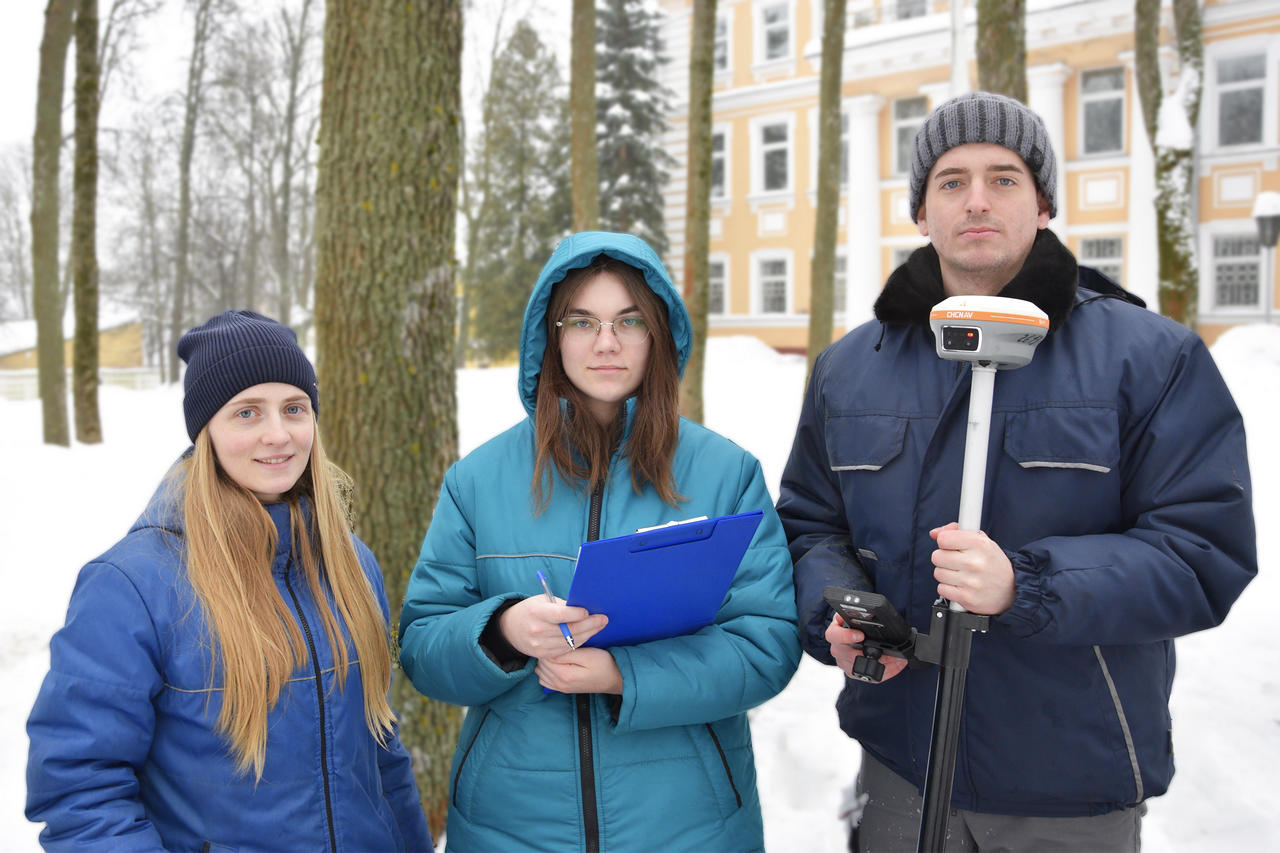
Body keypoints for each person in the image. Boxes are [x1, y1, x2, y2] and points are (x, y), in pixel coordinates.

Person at [777, 92, 1257, 851]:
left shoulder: (1150, 357)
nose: (976, 199)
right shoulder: (849, 368)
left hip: (1066, 788)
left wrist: (1026, 584)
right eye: (951, 180)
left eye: (1004, 178)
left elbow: (1202, 552)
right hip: (899, 769)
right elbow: (809, 522)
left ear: (1042, 205)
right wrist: (837, 611)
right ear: (920, 210)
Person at [398, 231, 800, 852]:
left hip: (688, 826)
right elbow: (422, 646)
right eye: (583, 321)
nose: (606, 343)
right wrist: (500, 632)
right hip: (512, 826)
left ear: (658, 334)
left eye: (629, 321)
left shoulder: (726, 473)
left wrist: (624, 675)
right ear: (551, 336)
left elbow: (766, 644)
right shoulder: (476, 481)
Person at [26, 310, 433, 852]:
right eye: (246, 413)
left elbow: (380, 752)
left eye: (295, 409)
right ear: (206, 432)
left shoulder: (350, 564)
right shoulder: (130, 586)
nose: (278, 434)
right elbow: (80, 790)